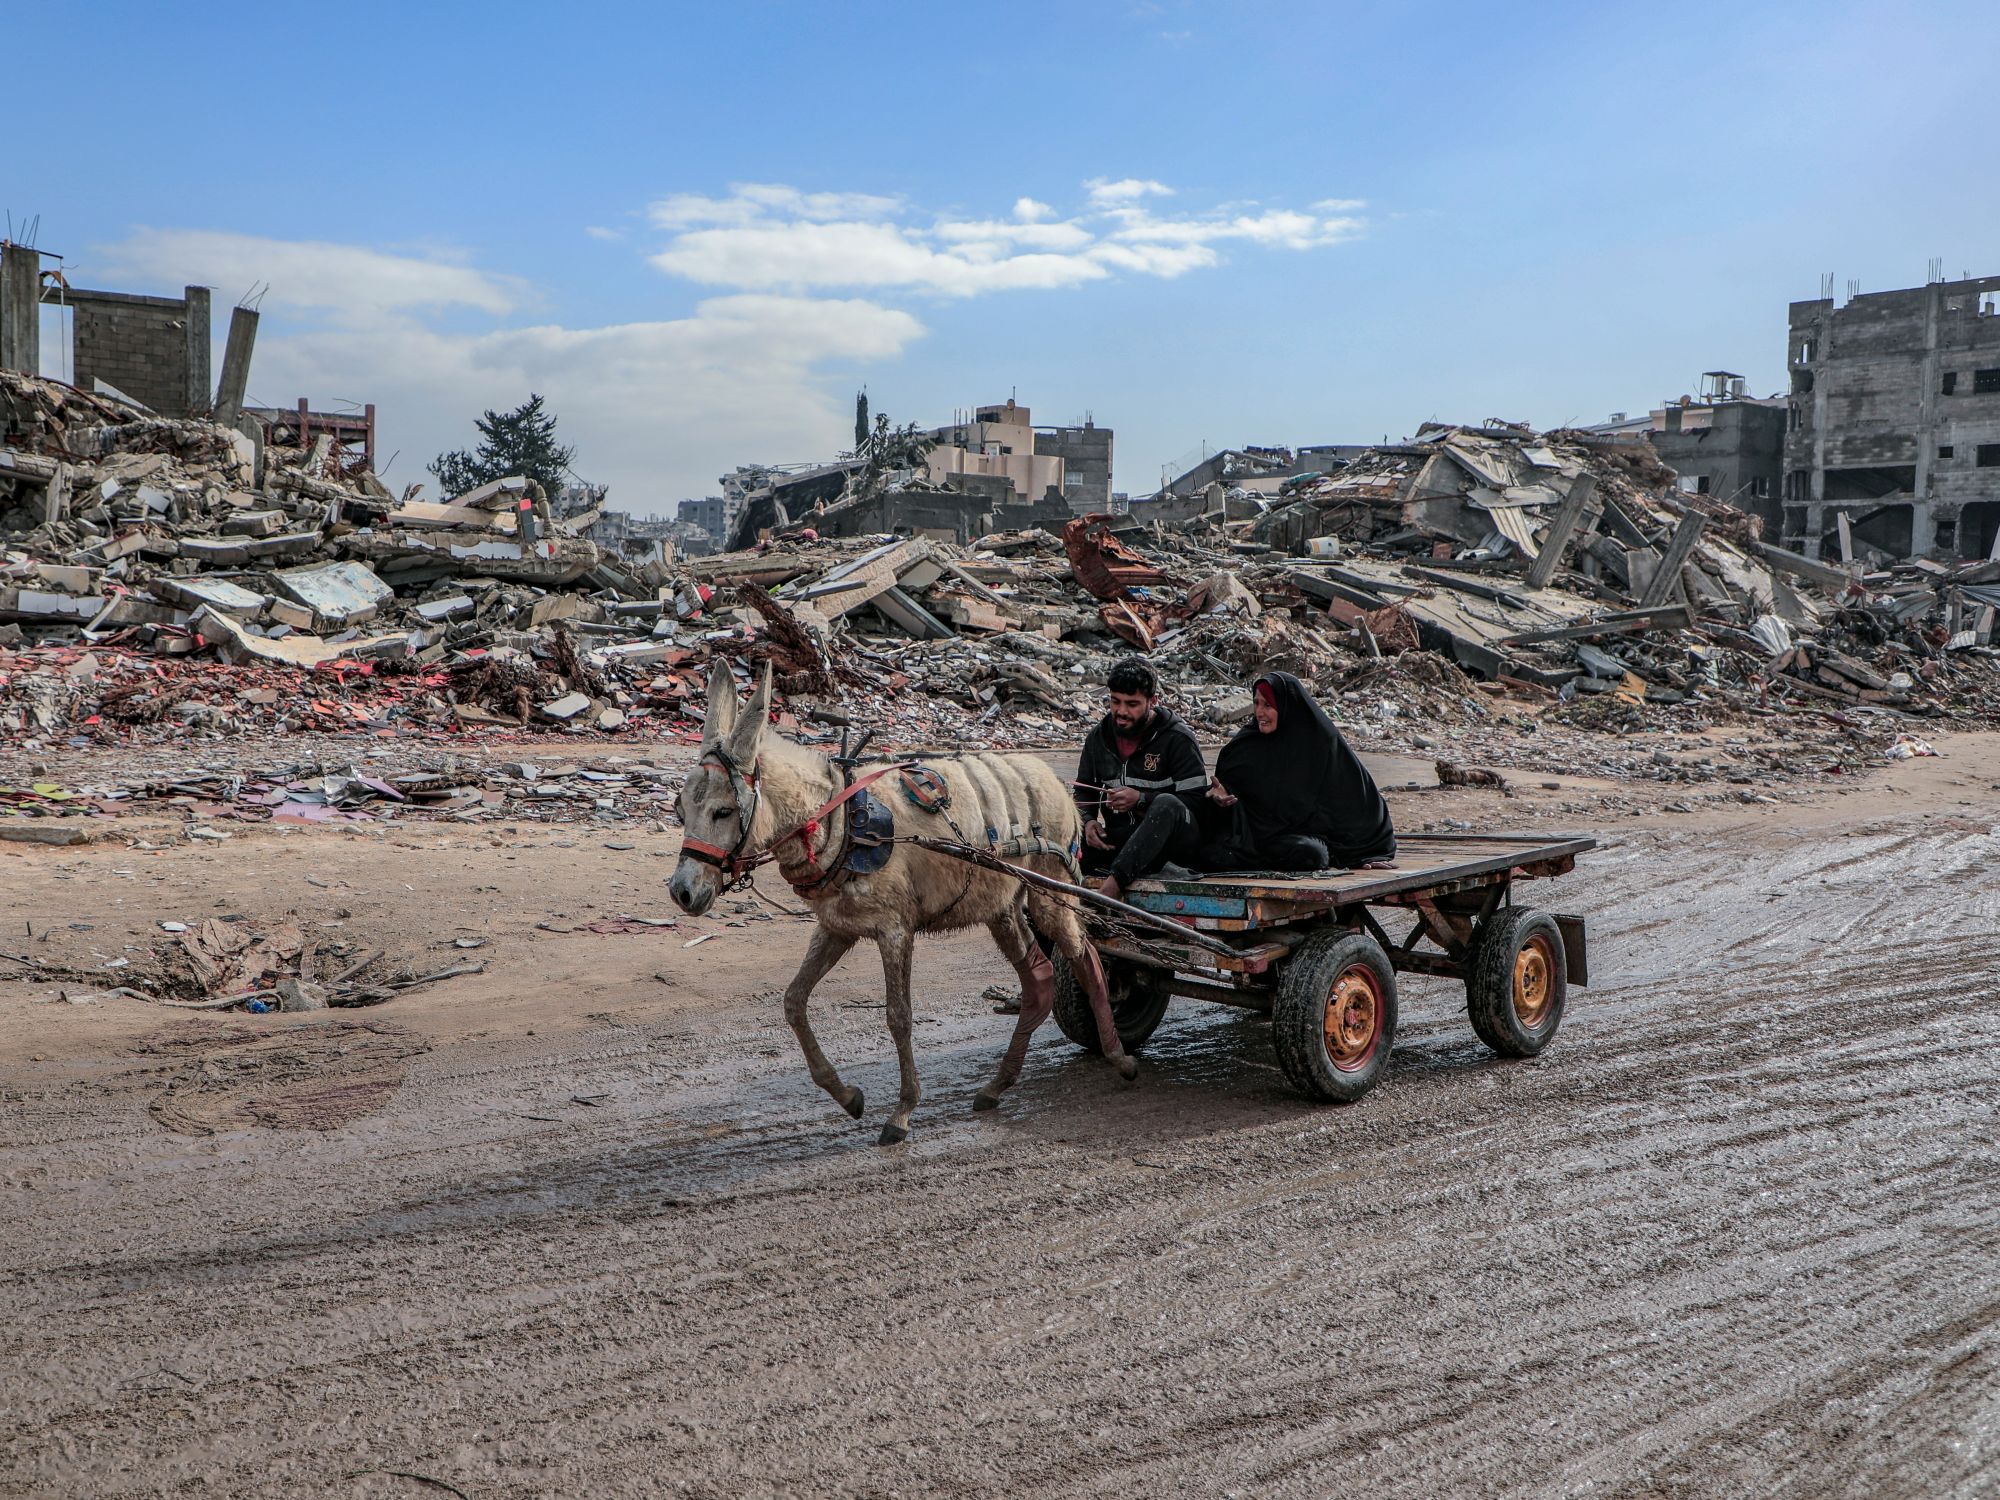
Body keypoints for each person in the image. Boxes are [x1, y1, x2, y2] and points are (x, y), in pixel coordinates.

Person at [1205, 671, 1396, 872]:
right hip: (1253, 838)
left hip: (1295, 840)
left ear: (1287, 706)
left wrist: (1366, 852)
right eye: (1257, 703)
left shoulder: (1320, 743)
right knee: (1213, 853)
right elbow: (1227, 791)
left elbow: (1357, 801)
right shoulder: (1244, 747)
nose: (1259, 712)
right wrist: (1220, 798)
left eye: (1268, 705)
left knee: (1310, 854)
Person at [1075, 658, 1210, 898]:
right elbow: (1084, 792)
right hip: (1122, 843)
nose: (1122, 712)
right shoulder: (1098, 738)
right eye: (1115, 702)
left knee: (1166, 804)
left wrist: (1142, 799)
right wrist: (1087, 822)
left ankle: (1109, 893)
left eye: (1132, 704)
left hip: (1173, 848)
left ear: (1153, 702)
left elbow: (1197, 803)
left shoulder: (1178, 739)